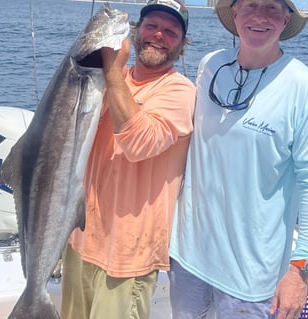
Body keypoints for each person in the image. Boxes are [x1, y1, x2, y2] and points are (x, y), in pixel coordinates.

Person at [168, 0, 308, 318]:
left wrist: (300, 270)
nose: (260, 16)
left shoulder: (304, 86)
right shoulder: (210, 65)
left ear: (286, 19)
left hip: (250, 277)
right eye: (250, 5)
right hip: (187, 257)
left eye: (272, 8)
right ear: (235, 15)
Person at [59, 0, 195, 318]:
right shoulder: (102, 79)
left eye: (171, 31)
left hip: (128, 256)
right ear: (135, 31)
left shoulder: (180, 91)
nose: (159, 35)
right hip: (79, 240)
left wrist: (112, 70)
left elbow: (138, 143)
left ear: (182, 44)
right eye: (151, 26)